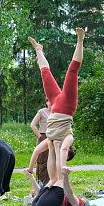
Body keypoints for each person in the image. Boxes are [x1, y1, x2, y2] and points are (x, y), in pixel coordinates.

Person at [28, 27, 83, 181]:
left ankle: (38, 49)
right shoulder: (68, 138)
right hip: (66, 105)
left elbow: (37, 150)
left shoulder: (50, 140)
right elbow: (64, 150)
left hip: (54, 103)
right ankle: (80, 41)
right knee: (72, 71)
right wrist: (63, 169)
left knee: (45, 74)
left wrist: (30, 168)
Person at [24, 140, 89, 206]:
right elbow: (40, 193)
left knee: (60, 179)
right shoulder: (58, 200)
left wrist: (65, 177)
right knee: (53, 179)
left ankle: (57, 147)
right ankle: (51, 147)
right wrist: (31, 178)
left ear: (84, 204)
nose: (81, 197)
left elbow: (69, 194)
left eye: (84, 199)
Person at [30, 98, 52, 184]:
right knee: (42, 160)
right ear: (46, 102)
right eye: (49, 100)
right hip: (43, 136)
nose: (51, 103)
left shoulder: (56, 112)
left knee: (51, 159)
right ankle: (41, 182)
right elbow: (33, 124)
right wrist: (40, 136)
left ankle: (51, 181)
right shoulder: (41, 112)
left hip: (53, 137)